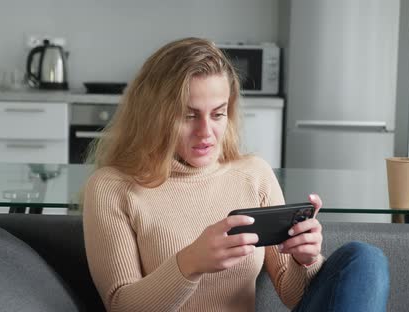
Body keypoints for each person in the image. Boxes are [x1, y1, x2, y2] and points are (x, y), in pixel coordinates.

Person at [82, 37, 389, 312]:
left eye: (218, 114)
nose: (206, 132)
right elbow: (121, 304)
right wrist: (190, 263)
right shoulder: (113, 188)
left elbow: (293, 294)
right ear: (153, 115)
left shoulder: (253, 175)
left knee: (366, 260)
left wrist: (305, 259)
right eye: (188, 116)